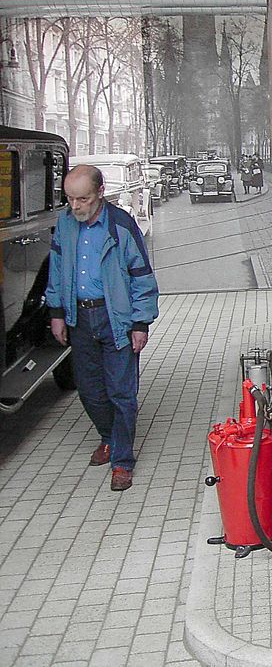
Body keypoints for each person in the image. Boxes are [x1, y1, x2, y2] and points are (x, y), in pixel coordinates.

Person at [46, 164, 159, 492]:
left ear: (100, 194)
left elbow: (142, 276)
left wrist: (141, 322)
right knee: (89, 390)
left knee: (121, 393)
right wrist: (56, 312)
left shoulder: (121, 225)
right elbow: (56, 271)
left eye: (82, 199)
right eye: (69, 199)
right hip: (80, 319)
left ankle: (122, 461)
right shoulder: (65, 224)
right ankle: (108, 438)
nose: (75, 206)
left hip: (117, 320)